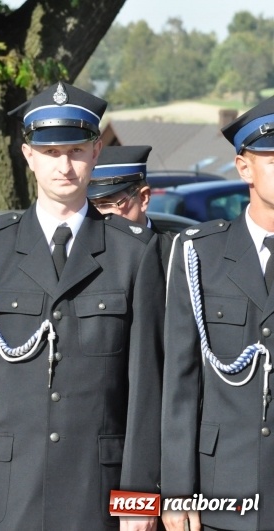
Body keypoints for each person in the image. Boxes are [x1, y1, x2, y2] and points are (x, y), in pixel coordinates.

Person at [0, 82, 165, 531]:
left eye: (77, 150)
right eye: (51, 152)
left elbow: (147, 390)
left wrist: (139, 501)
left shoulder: (135, 252)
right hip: (8, 490)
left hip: (98, 494)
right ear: (28, 156)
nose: (65, 165)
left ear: (97, 150)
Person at [161, 96, 274, 531]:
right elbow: (180, 384)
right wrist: (175, 491)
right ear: (243, 168)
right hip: (222, 490)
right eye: (270, 158)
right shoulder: (198, 254)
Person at [88, 145, 175, 266]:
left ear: (143, 198)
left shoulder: (174, 254)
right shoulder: (84, 257)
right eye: (91, 205)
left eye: (106, 203)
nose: (98, 214)